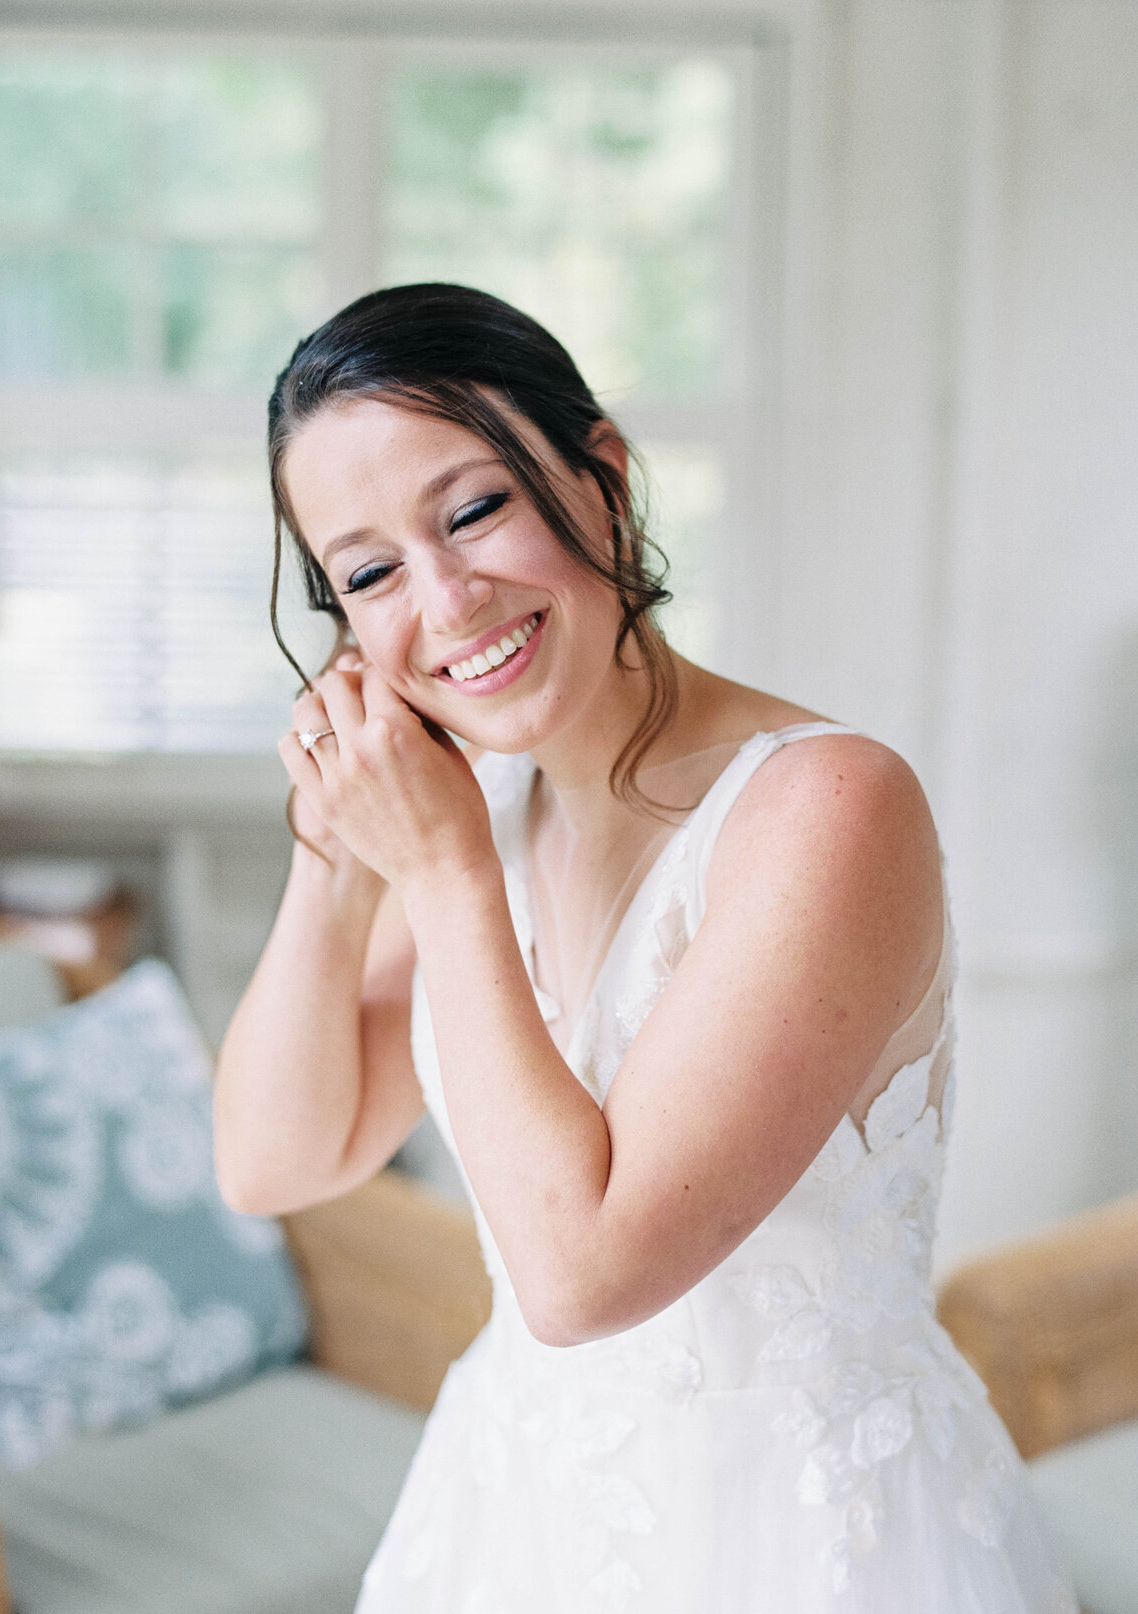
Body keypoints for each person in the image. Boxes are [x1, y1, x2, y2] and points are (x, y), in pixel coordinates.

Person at [214, 283, 1077, 1612]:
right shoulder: (478, 813)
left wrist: (437, 867)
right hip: (515, 1520)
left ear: (600, 477)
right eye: (371, 572)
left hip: (804, 1542)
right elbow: (274, 1159)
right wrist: (335, 852)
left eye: (475, 508)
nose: (443, 600)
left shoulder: (828, 807)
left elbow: (584, 1272)